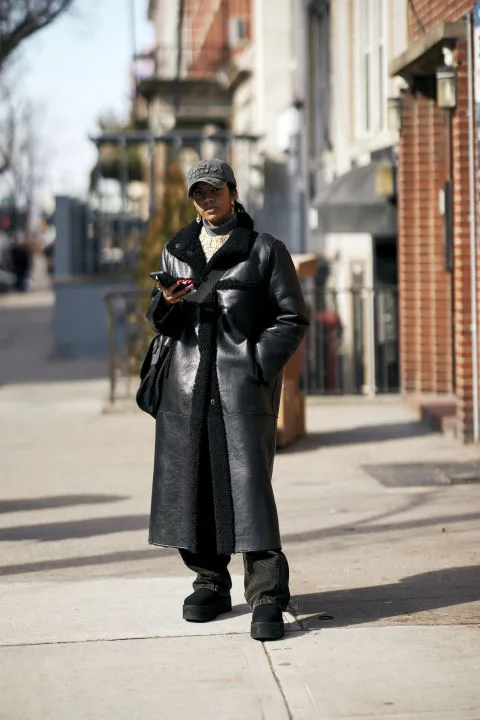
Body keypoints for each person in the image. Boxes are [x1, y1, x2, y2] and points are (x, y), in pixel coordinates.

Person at [146, 159, 309, 641]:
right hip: (187, 388)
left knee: (250, 487)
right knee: (194, 484)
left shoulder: (264, 251)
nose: (206, 200)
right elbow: (161, 323)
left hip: (240, 386)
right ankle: (210, 583)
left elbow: (291, 318)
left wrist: (257, 364)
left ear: (233, 193)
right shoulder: (176, 251)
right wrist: (167, 303)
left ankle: (266, 597)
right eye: (198, 193)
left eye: (214, 191)